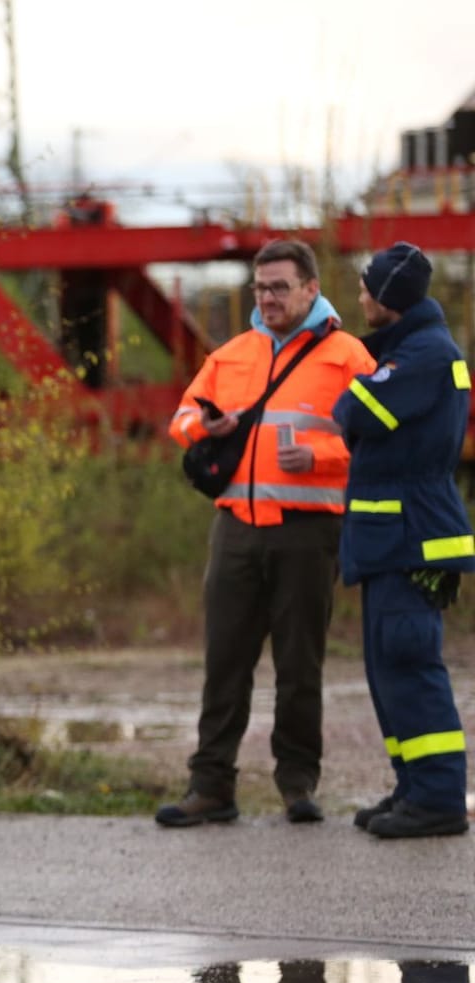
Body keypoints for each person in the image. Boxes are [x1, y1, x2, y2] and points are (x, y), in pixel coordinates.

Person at [157, 239, 376, 828]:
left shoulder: (348, 357)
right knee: (224, 662)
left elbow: (379, 445)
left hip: (309, 532)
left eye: (280, 287)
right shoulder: (230, 355)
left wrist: (321, 456)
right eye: (260, 288)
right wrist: (201, 426)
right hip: (235, 531)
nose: (268, 298)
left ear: (310, 288)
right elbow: (179, 419)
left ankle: (297, 785)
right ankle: (210, 787)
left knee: (299, 666)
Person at [335, 242, 474, 839]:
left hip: (409, 535)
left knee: (408, 663)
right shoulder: (410, 348)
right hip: (391, 538)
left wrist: (360, 381)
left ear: (389, 297)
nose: (361, 295)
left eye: (368, 288)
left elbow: (357, 410)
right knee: (386, 666)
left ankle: (439, 797)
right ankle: (414, 786)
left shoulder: (424, 355)